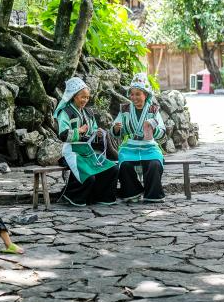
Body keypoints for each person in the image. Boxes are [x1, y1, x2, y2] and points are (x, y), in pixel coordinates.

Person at [53, 78, 119, 206]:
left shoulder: (88, 112)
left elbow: (92, 131)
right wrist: (80, 131)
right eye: (82, 97)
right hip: (73, 151)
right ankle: (72, 196)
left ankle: (101, 197)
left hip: (89, 151)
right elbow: (63, 135)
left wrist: (98, 134)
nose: (85, 100)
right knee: (88, 176)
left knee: (112, 169)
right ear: (74, 96)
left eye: (87, 98)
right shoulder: (65, 113)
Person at [112, 74, 166, 202]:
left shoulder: (153, 110)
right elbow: (115, 131)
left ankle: (152, 195)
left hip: (149, 147)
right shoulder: (124, 109)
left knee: (155, 164)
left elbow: (162, 132)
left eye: (138, 94)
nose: (134, 97)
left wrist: (153, 130)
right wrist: (117, 129)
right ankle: (133, 192)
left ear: (145, 95)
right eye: (132, 94)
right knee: (124, 165)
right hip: (129, 147)